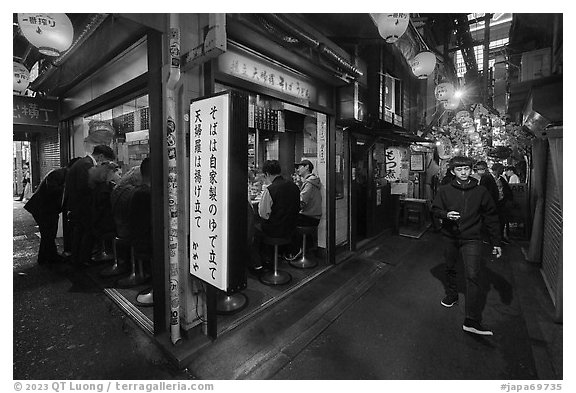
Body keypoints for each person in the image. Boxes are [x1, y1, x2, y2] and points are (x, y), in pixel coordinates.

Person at [432, 156, 502, 336]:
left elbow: (491, 216)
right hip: (450, 236)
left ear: (471, 170)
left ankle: (471, 319)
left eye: (466, 169)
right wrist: (446, 215)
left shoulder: (481, 191)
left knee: (473, 275)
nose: (463, 172)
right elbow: (435, 209)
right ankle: (452, 294)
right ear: (453, 171)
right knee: (450, 267)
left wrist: (496, 242)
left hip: (472, 238)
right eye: (459, 169)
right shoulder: (445, 190)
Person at [65, 145, 116, 266]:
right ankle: (81, 261)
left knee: (81, 233)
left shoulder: (83, 163)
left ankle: (79, 260)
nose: (105, 164)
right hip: (82, 207)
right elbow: (85, 188)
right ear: (101, 156)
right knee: (84, 234)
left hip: (79, 206)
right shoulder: (86, 165)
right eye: (106, 161)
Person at [23, 159, 79, 265]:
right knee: (48, 234)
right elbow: (52, 190)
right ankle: (47, 259)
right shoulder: (57, 173)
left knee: (49, 234)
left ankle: (47, 257)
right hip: (42, 209)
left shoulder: (64, 175)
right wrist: (67, 188)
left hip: (49, 210)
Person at [249, 160, 300, 274]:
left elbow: (263, 214)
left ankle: (260, 264)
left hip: (276, 231)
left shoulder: (270, 189)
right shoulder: (293, 186)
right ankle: (276, 256)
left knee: (254, 230)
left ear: (266, 174)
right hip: (291, 229)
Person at [285, 159, 322, 260]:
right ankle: (306, 247)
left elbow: (301, 202)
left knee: (287, 221)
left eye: (300, 166)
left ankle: (295, 250)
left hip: (309, 217)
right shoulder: (312, 181)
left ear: (307, 167)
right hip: (314, 216)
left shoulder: (309, 183)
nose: (297, 169)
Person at [89, 162, 122, 262]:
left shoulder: (98, 186)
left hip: (98, 220)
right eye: (118, 174)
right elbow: (106, 208)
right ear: (110, 173)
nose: (120, 176)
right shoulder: (105, 189)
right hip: (105, 222)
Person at [491, 163, 513, 243]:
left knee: (501, 221)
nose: (503, 170)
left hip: (501, 204)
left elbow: (507, 190)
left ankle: (500, 237)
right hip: (492, 204)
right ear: (496, 169)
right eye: (501, 169)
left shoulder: (501, 179)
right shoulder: (487, 178)